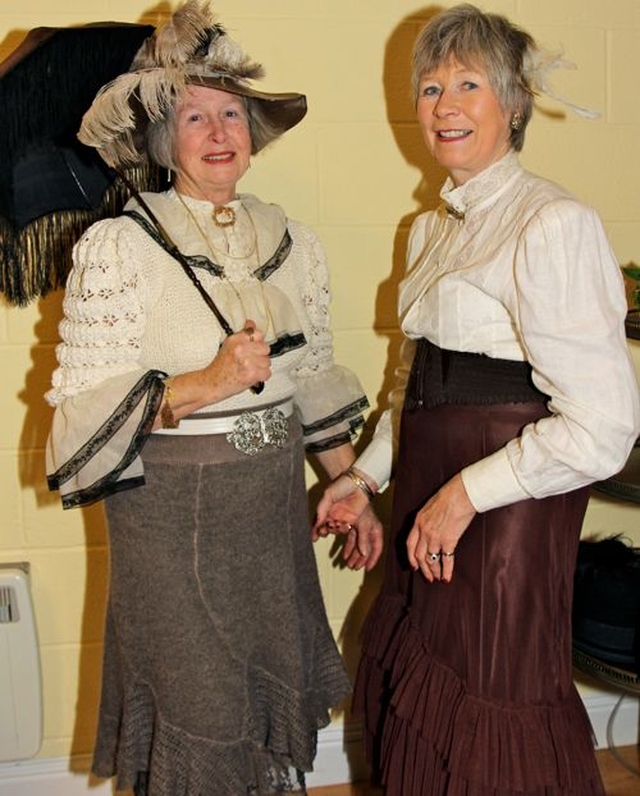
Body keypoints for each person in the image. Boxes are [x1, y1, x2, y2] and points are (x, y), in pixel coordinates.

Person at [44, 2, 379, 793]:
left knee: (260, 704)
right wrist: (206, 383)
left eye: (233, 112)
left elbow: (312, 377)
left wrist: (347, 482)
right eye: (195, 115)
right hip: (170, 515)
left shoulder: (292, 242)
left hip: (265, 507)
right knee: (202, 707)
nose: (220, 130)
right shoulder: (121, 246)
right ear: (164, 140)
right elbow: (84, 411)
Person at [313, 4, 640, 795]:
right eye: (430, 88)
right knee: (424, 704)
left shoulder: (552, 222)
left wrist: (467, 494)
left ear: (515, 104)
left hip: (504, 516)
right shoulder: (427, 231)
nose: (445, 106)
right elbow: (413, 392)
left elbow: (604, 427)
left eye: (469, 85)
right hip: (435, 502)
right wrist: (364, 481)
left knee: (494, 706)